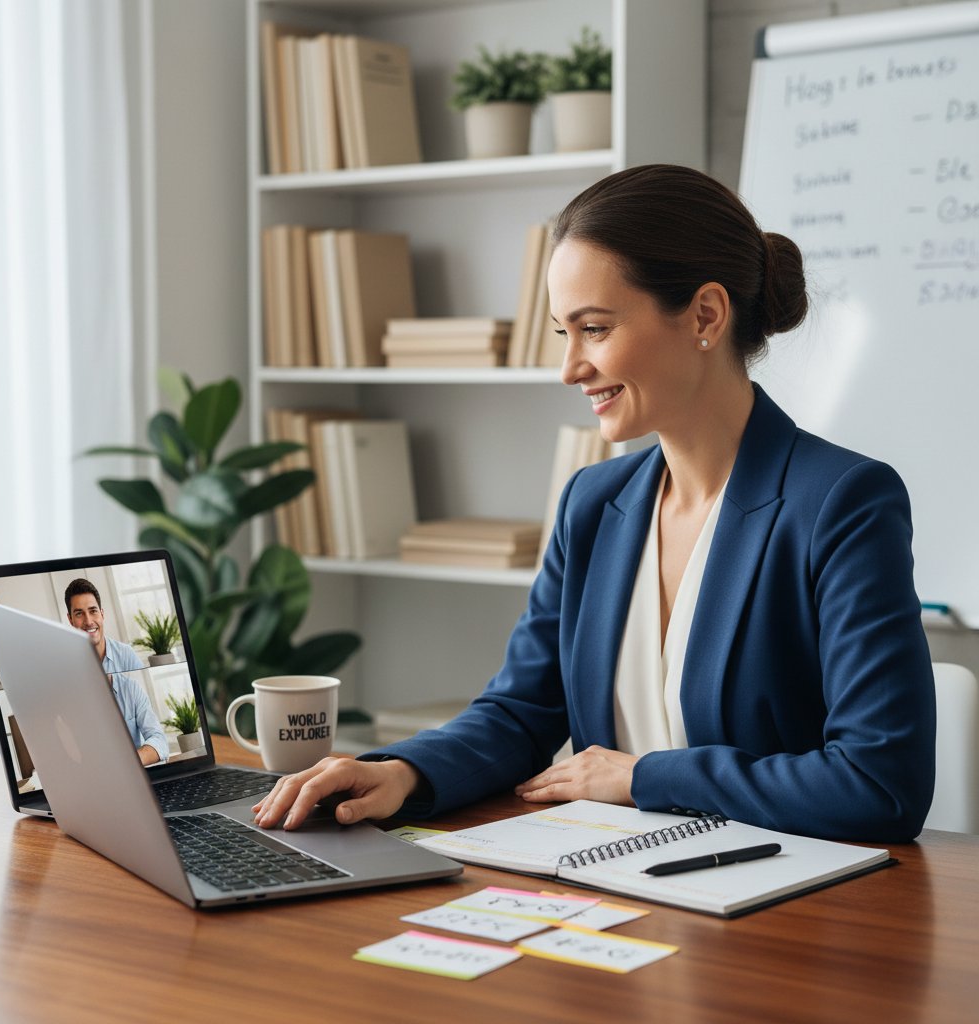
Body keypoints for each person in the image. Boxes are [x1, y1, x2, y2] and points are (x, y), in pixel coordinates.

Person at [253, 164, 936, 843]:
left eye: (596, 329)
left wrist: (643, 778)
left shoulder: (841, 503)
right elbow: (522, 711)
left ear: (705, 315)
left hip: (781, 915)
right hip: (611, 889)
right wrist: (402, 771)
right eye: (563, 333)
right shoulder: (594, 502)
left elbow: (878, 783)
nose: (569, 367)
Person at [64, 578, 169, 765]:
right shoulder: (66, 675)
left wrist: (128, 760)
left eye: (93, 611)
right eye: (79, 614)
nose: (88, 621)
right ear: (70, 619)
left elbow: (160, 741)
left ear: (102, 614)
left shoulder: (127, 660)